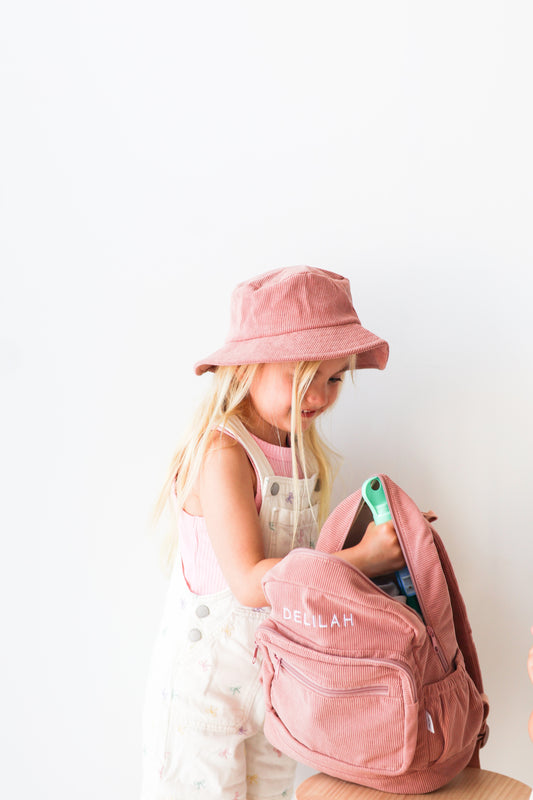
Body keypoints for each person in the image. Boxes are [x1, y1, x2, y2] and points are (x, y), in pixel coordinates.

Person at [140, 265, 405, 800]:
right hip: (202, 700)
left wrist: (375, 532)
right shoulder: (223, 454)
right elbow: (249, 582)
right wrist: (363, 559)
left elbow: (301, 567)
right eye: (303, 378)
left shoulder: (300, 456)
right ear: (247, 369)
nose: (320, 396)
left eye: (335, 379)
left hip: (273, 687)